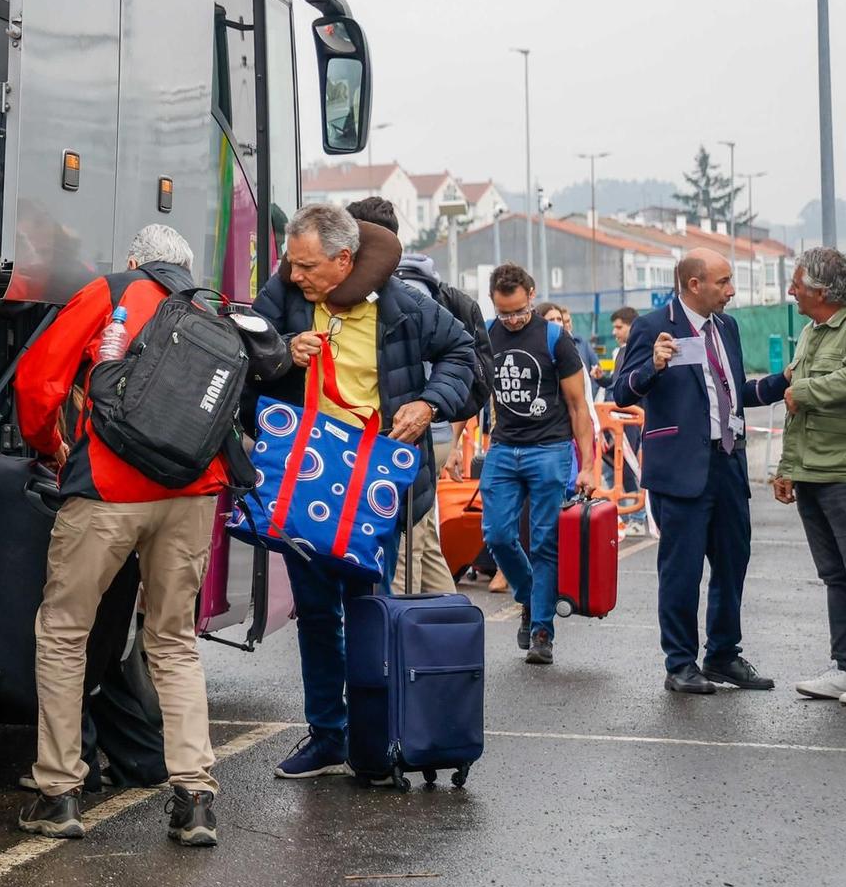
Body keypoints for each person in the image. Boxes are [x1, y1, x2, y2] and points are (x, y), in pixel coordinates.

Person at [14, 224, 225, 846]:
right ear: (186, 266)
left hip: (108, 491)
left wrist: (49, 447)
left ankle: (58, 791)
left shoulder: (110, 292)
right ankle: (194, 800)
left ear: (134, 259)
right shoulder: (211, 307)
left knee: (64, 632)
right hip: (192, 493)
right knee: (174, 642)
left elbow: (37, 382)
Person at [250, 203, 479, 778]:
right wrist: (282, 351)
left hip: (376, 488)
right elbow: (245, 348)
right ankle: (328, 735)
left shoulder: (403, 307)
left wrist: (430, 404)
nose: (293, 275)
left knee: (368, 613)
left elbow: (464, 355)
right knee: (318, 617)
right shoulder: (285, 295)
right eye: (290, 264)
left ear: (344, 259)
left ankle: (373, 742)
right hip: (306, 482)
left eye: (306, 266)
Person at [613, 250, 787, 695]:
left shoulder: (726, 327)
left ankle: (724, 655)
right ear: (694, 284)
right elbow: (622, 392)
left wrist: (781, 381)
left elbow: (735, 391)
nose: (731, 291)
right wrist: (651, 365)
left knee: (733, 563)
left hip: (727, 462)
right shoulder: (653, 327)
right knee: (682, 570)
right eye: (724, 282)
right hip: (679, 468)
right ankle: (680, 663)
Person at [768, 248, 846, 707]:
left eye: (797, 285)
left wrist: (803, 389)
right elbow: (794, 412)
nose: (791, 292)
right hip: (813, 472)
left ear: (823, 291)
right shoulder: (810, 332)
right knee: (835, 576)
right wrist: (787, 468)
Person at [348, 195, 489, 595]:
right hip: (438, 429)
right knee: (424, 540)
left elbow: (449, 358)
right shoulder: (440, 288)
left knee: (403, 548)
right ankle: (445, 629)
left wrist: (428, 409)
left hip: (405, 432)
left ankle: (403, 633)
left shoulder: (397, 292)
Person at [480, 264, 600, 665]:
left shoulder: (555, 338)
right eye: (503, 312)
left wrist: (588, 465)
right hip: (503, 448)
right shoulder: (487, 333)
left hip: (549, 450)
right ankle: (530, 597)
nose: (511, 320)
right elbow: (475, 391)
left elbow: (579, 406)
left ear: (531, 294)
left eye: (517, 310)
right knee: (497, 534)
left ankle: (542, 629)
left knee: (546, 541)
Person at [605, 307, 647, 536]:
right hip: (611, 419)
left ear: (633, 326)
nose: (614, 332)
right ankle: (622, 514)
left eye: (619, 327)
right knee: (611, 469)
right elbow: (615, 385)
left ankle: (638, 517)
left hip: (629, 420)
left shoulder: (639, 352)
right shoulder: (618, 352)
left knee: (629, 467)